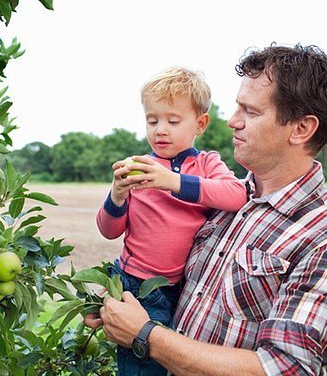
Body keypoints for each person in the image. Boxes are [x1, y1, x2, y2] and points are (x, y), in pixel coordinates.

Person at [87, 44, 327, 376]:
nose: (232, 121)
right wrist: (122, 306)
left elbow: (285, 368)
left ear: (301, 129)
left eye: (250, 112)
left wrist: (146, 335)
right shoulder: (222, 201)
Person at [96, 66, 248, 375]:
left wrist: (172, 181)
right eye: (152, 120)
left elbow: (236, 194)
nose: (160, 130)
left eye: (173, 121)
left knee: (177, 361)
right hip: (136, 283)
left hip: (180, 289)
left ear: (200, 124)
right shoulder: (138, 167)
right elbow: (109, 230)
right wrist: (117, 195)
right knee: (141, 367)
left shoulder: (206, 163)